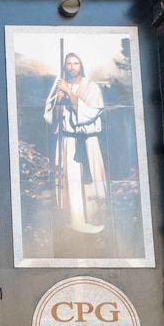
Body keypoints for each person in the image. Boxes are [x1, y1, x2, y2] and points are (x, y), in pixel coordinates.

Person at [43, 52, 108, 234]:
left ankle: (96, 217)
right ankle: (74, 220)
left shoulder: (92, 88)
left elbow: (91, 113)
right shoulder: (59, 87)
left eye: (76, 63)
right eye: (69, 64)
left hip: (87, 142)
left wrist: (70, 93)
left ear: (81, 65)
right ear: (65, 66)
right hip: (68, 141)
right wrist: (58, 99)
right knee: (70, 181)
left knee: (91, 179)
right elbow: (51, 117)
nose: (72, 67)